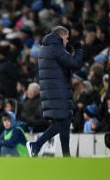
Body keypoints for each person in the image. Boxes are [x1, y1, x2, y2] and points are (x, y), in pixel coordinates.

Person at [26, 26, 84, 157]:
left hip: (53, 91)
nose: (68, 40)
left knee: (65, 122)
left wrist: (67, 50)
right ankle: (35, 145)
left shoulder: (46, 47)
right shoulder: (55, 48)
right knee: (61, 123)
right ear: (61, 35)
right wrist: (79, 50)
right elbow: (74, 64)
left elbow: (61, 64)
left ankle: (66, 156)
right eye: (67, 37)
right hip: (58, 91)